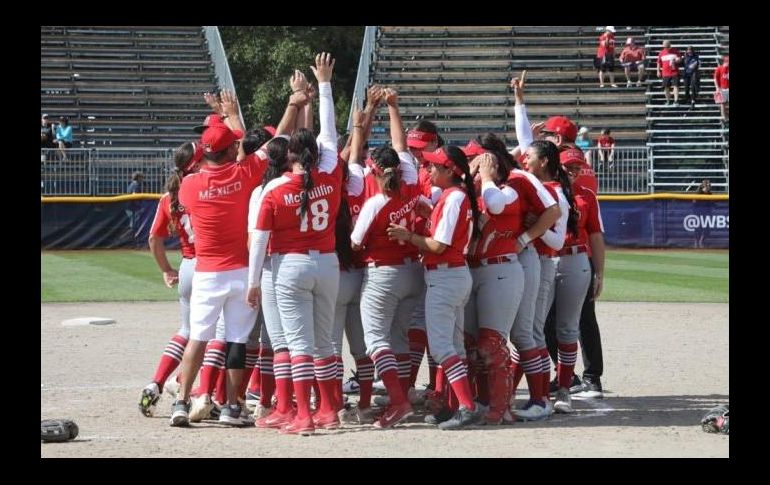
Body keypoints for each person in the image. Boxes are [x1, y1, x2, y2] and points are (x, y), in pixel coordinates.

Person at [247, 52, 341, 435]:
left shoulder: (272, 189)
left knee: (297, 344)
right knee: (323, 343)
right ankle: (330, 411)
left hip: (290, 265)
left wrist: (253, 282)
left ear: (287, 156)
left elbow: (259, 243)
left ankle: (303, 414)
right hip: (328, 263)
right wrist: (324, 86)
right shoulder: (330, 176)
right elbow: (330, 134)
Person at [171, 87, 260, 428]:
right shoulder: (243, 174)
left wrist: (226, 121)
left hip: (207, 271)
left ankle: (181, 402)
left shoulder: (189, 185)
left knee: (198, 338)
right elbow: (256, 143)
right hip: (240, 271)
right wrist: (232, 113)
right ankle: (232, 408)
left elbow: (234, 149)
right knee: (237, 341)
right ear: (230, 150)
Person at [657, 40, 682, 106]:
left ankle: (676, 101)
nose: (666, 47)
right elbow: (659, 63)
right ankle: (668, 101)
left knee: (676, 86)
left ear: (670, 45)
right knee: (666, 87)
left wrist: (677, 60)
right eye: (665, 46)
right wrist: (658, 71)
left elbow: (680, 60)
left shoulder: (675, 51)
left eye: (667, 46)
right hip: (665, 73)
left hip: (674, 72)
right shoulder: (661, 53)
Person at [693, 179, 713, 248]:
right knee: (698, 228)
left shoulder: (710, 194)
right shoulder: (699, 193)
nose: (709, 187)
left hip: (707, 214)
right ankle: (696, 242)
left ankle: (701, 241)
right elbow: (694, 203)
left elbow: (712, 203)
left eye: (709, 185)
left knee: (707, 229)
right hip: (699, 213)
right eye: (707, 185)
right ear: (703, 186)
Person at [713, 55, 729, 121]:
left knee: (724, 103)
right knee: (723, 103)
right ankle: (724, 118)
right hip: (722, 88)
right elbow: (715, 79)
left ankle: (726, 116)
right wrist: (717, 88)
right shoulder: (719, 68)